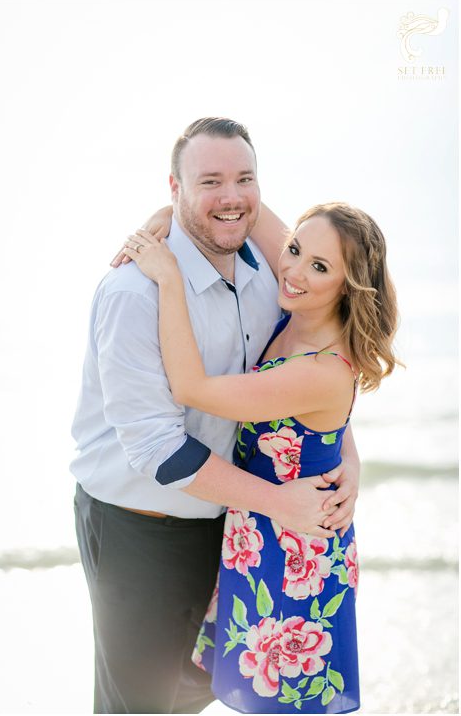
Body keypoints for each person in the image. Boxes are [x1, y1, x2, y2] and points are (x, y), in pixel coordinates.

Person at [70, 117, 360, 714]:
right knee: (137, 706)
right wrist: (282, 502)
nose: (231, 197)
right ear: (174, 189)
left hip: (232, 528)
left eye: (244, 179)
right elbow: (158, 449)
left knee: (204, 692)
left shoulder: (271, 273)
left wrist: (347, 450)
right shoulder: (133, 293)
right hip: (141, 527)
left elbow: (310, 371)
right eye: (209, 181)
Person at [122, 201, 398, 713]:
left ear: (350, 285)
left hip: (296, 552)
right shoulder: (300, 300)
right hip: (262, 527)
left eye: (320, 267)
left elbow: (190, 387)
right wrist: (170, 211)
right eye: (294, 250)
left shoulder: (320, 367)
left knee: (284, 702)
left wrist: (168, 279)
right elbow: (240, 203)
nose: (292, 270)